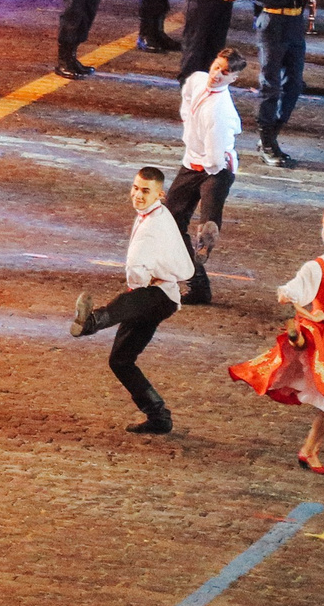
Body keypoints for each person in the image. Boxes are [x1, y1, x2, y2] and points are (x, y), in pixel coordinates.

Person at [231, 205, 324, 475]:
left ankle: (309, 450)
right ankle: (309, 451)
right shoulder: (316, 268)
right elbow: (292, 291)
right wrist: (298, 302)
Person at [70, 166, 197, 436]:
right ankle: (158, 416)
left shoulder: (154, 223)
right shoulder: (154, 214)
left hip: (158, 294)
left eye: (145, 191)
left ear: (160, 195)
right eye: (136, 188)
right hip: (159, 292)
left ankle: (92, 321)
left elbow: (137, 272)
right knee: (121, 360)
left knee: (132, 299)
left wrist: (158, 278)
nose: (138, 195)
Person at [164, 48, 241, 309]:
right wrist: (187, 118)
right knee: (171, 220)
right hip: (193, 162)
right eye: (216, 67)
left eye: (225, 72)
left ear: (234, 79)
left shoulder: (218, 112)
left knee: (210, 207)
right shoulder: (198, 79)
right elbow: (187, 91)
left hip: (215, 166)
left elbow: (216, 159)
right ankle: (198, 273)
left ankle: (206, 233)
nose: (217, 74)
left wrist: (204, 163)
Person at [249, 0, 312, 168]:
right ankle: (266, 140)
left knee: (294, 84)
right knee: (270, 85)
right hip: (274, 23)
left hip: (294, 23)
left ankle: (271, 135)